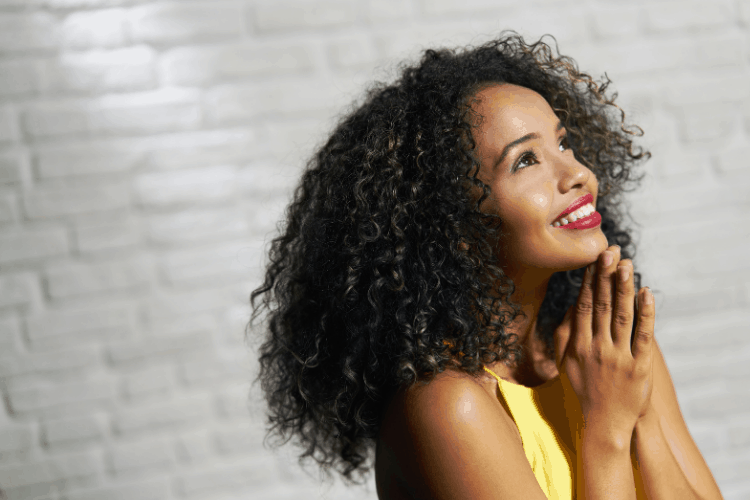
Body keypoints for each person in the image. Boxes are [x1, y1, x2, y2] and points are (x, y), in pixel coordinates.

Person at [250, 33, 724, 499]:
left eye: (563, 144)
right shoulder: (448, 408)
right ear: (452, 222)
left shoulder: (606, 354)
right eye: (525, 161)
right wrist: (605, 428)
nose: (576, 173)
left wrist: (640, 419)